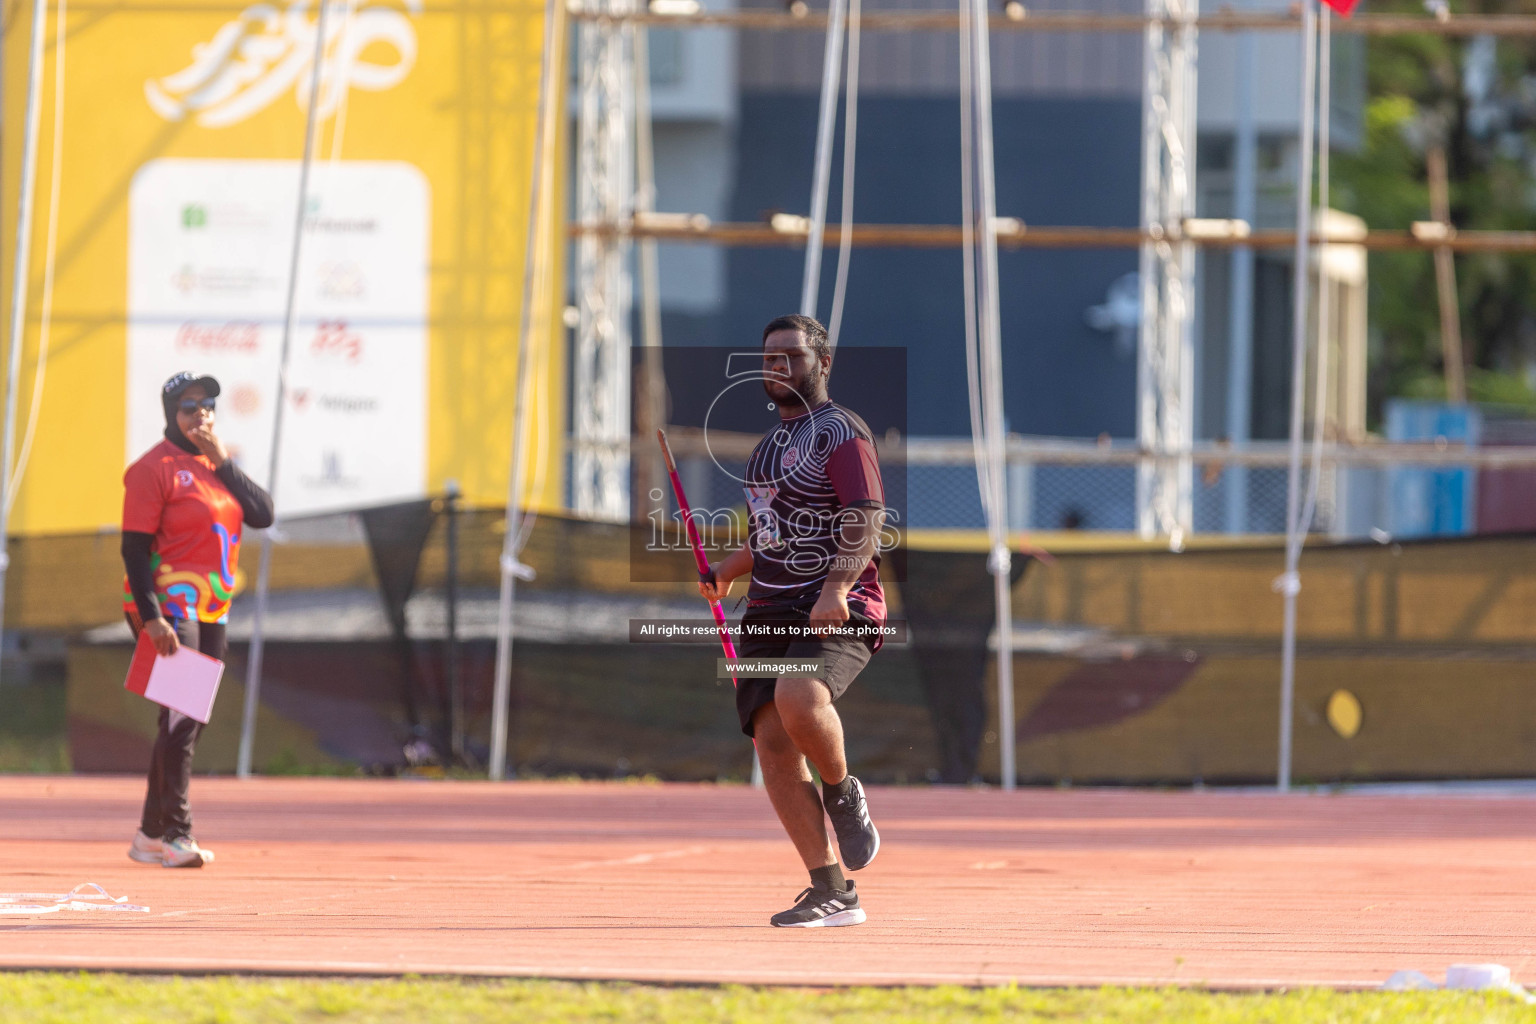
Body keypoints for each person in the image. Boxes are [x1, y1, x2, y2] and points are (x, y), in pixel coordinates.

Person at [700, 314, 887, 928]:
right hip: (768, 609)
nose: (778, 366)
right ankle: (831, 890)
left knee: (799, 699)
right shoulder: (766, 451)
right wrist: (728, 567)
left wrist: (836, 587)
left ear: (822, 364)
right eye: (770, 357)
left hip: (834, 604)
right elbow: (770, 533)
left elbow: (864, 515)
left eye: (792, 356)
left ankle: (841, 790)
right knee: (774, 744)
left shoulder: (842, 433)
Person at [120, 371, 273, 868]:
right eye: (188, 406)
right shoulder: (152, 469)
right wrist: (152, 618)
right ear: (170, 412)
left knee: (185, 718)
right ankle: (177, 835)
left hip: (213, 606)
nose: (200, 413)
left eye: (207, 404)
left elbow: (262, 514)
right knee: (182, 719)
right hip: (168, 606)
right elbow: (134, 549)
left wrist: (224, 460)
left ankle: (149, 833)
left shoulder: (216, 464)